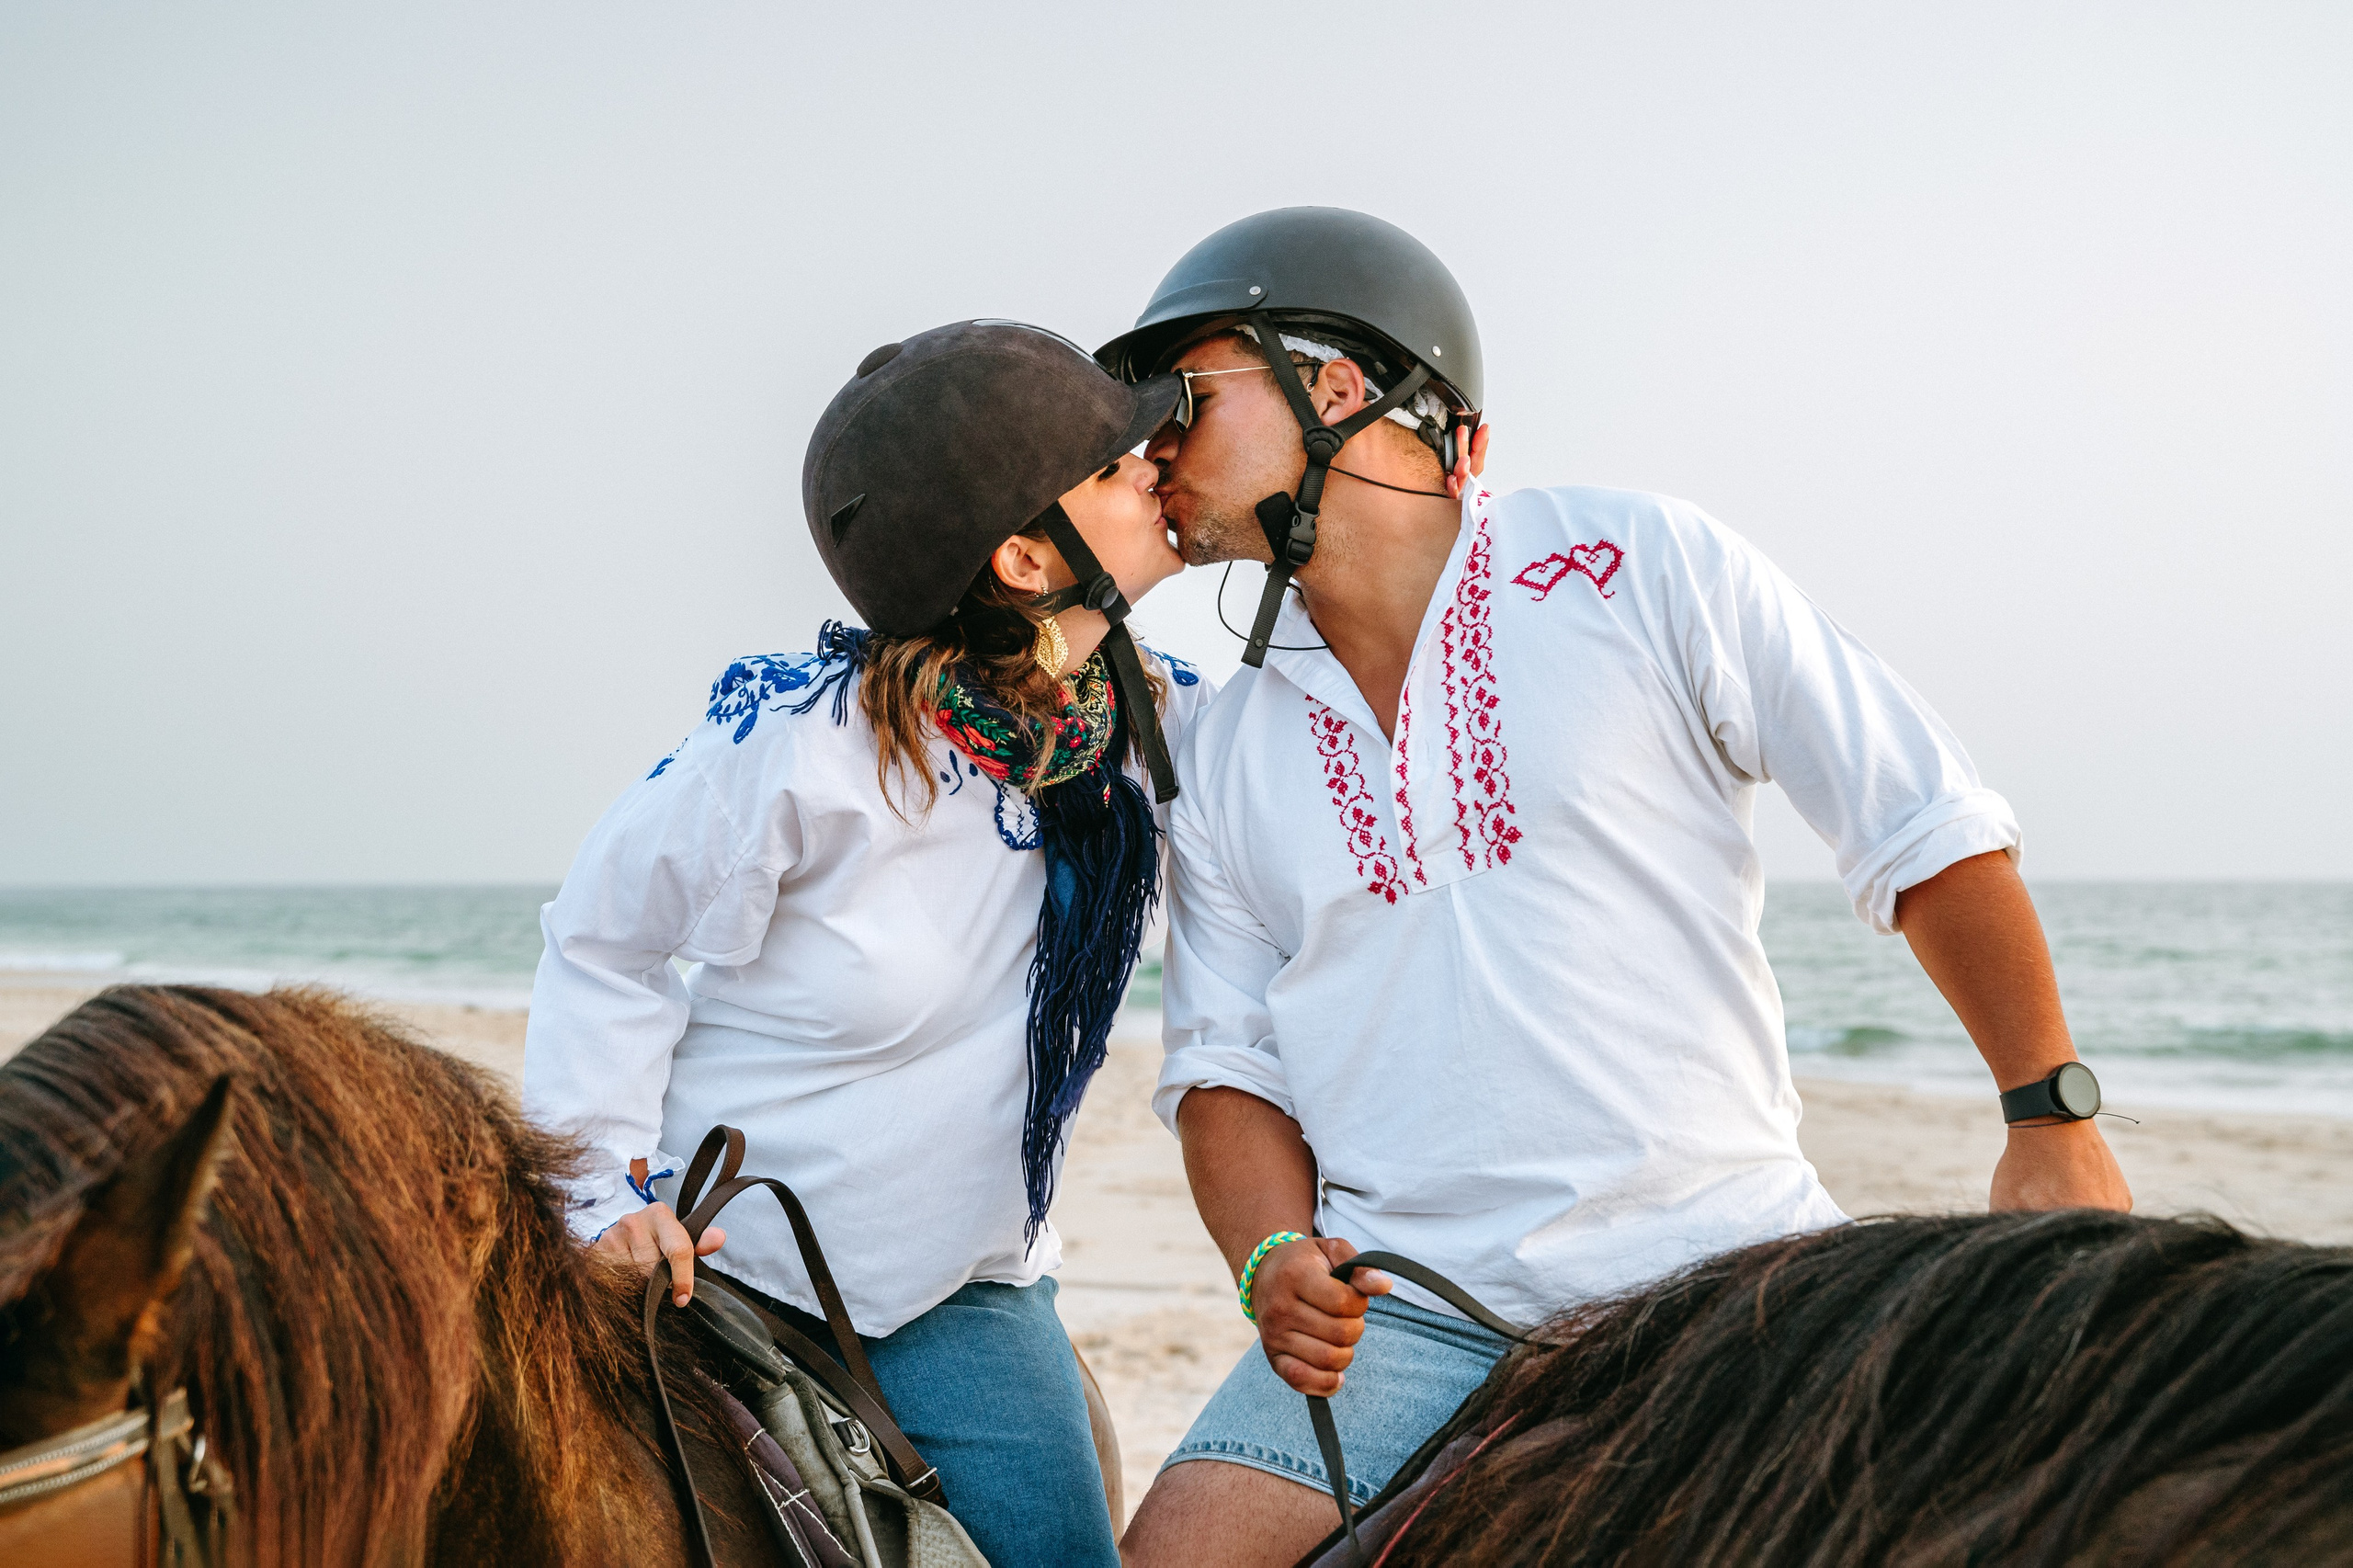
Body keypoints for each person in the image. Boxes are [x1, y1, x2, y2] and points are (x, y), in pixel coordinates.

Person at [1103, 208, 2132, 1567]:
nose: (1152, 444)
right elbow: (1227, 1066)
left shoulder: (1637, 565)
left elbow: (1918, 813)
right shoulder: (1223, 747)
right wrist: (1270, 1256)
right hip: (1411, 1312)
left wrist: (2047, 1111)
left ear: (1332, 383)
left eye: (1186, 395)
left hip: (1731, 1272)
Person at [521, 321, 1211, 1566]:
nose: (1156, 464)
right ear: (1019, 555)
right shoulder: (799, 740)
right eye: (1116, 467)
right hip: (715, 1263)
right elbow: (607, 938)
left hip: (953, 1294)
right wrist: (599, 1191)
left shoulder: (1175, 738)